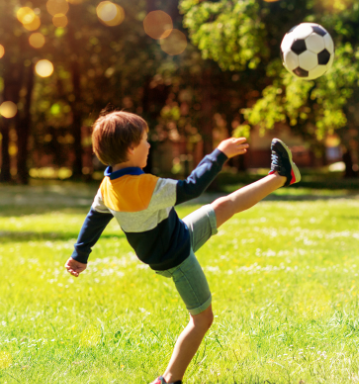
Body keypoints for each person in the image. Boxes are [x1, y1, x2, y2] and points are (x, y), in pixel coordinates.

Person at [64, 111, 300, 384]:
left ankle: (282, 176)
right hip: (175, 258)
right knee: (202, 320)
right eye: (144, 141)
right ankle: (169, 380)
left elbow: (95, 218)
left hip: (179, 235)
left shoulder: (109, 185)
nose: (149, 146)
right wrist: (219, 154)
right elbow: (192, 188)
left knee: (224, 205)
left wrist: (80, 254)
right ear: (130, 149)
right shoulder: (144, 186)